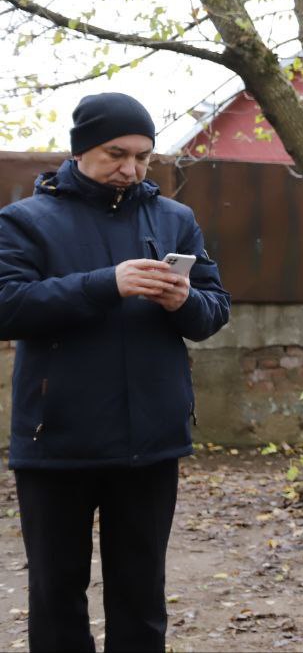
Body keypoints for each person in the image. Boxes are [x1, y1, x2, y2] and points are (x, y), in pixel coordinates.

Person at [0, 92, 231, 652]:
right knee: (57, 597)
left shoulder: (175, 219)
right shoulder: (25, 221)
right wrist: (107, 284)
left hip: (149, 444)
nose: (131, 168)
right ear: (80, 150)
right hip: (56, 443)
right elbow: (7, 306)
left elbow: (214, 310)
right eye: (116, 154)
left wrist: (183, 302)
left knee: (141, 598)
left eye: (143, 157)